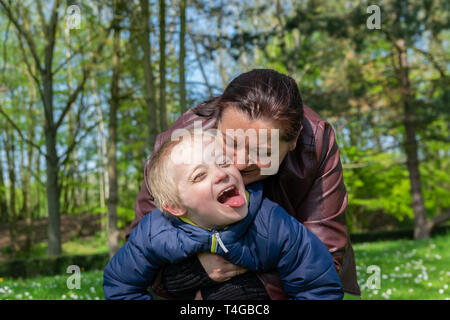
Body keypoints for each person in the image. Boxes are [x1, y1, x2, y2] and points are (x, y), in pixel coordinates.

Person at [129, 69, 360, 298]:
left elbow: (323, 256)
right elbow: (137, 251)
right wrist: (188, 275)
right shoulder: (177, 147)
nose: (239, 164)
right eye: (229, 143)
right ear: (217, 122)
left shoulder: (316, 142)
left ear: (294, 139)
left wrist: (245, 291)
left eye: (262, 151)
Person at [103, 130, 344, 300]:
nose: (220, 174)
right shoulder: (155, 231)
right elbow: (120, 284)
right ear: (175, 207)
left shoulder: (272, 222)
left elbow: (318, 286)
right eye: (199, 175)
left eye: (224, 162)